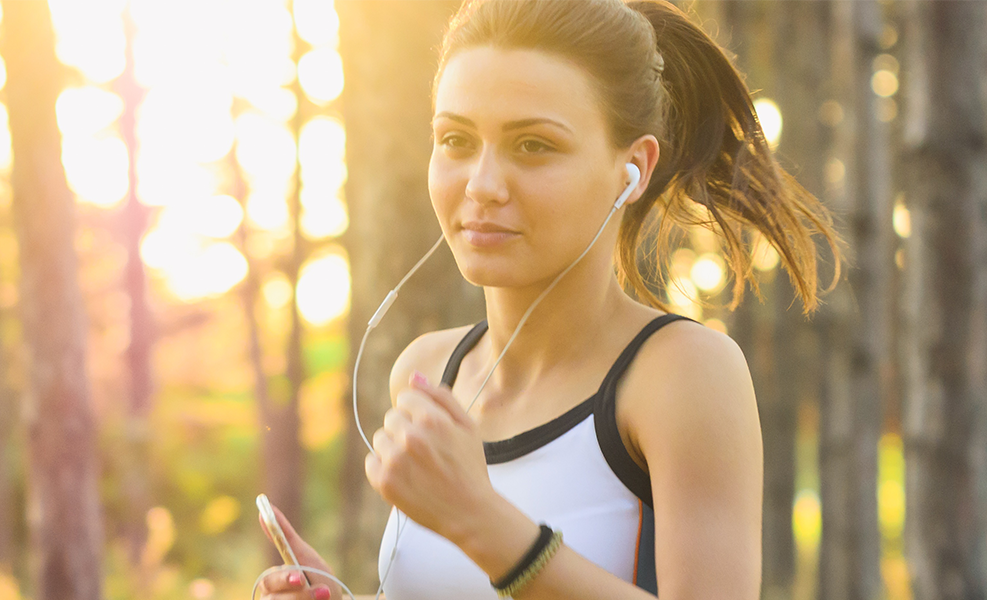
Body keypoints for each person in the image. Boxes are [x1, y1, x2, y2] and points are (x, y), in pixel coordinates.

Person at [257, 0, 841, 598]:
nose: (482, 186)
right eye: (456, 139)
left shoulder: (681, 374)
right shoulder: (428, 373)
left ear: (633, 169)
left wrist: (485, 526)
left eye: (533, 146)